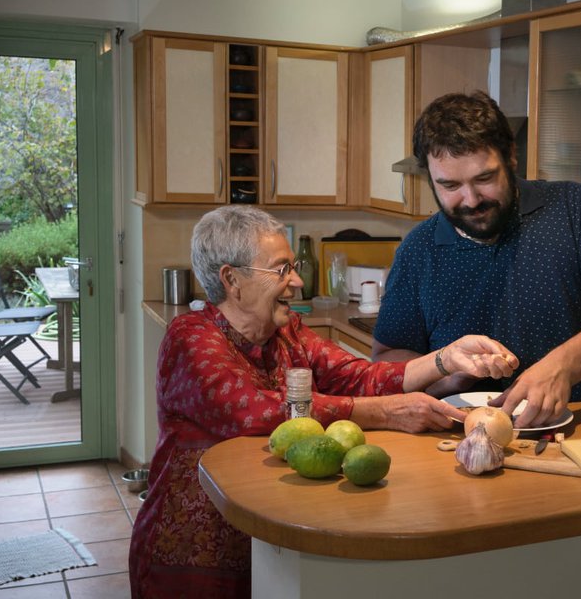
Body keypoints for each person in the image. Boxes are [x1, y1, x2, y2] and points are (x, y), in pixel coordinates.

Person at [129, 205, 517, 599]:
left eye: (292, 266)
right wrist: (385, 413)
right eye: (281, 269)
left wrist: (444, 358)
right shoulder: (191, 337)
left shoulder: (289, 333)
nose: (297, 280)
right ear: (232, 279)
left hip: (268, 540)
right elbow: (254, 411)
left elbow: (360, 376)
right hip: (192, 554)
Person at [373, 91, 581, 429]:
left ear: (511, 157)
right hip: (457, 445)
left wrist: (561, 366)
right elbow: (386, 361)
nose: (471, 200)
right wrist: (443, 374)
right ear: (430, 178)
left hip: (576, 435)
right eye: (450, 185)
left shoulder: (572, 208)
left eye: (484, 179)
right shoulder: (419, 249)